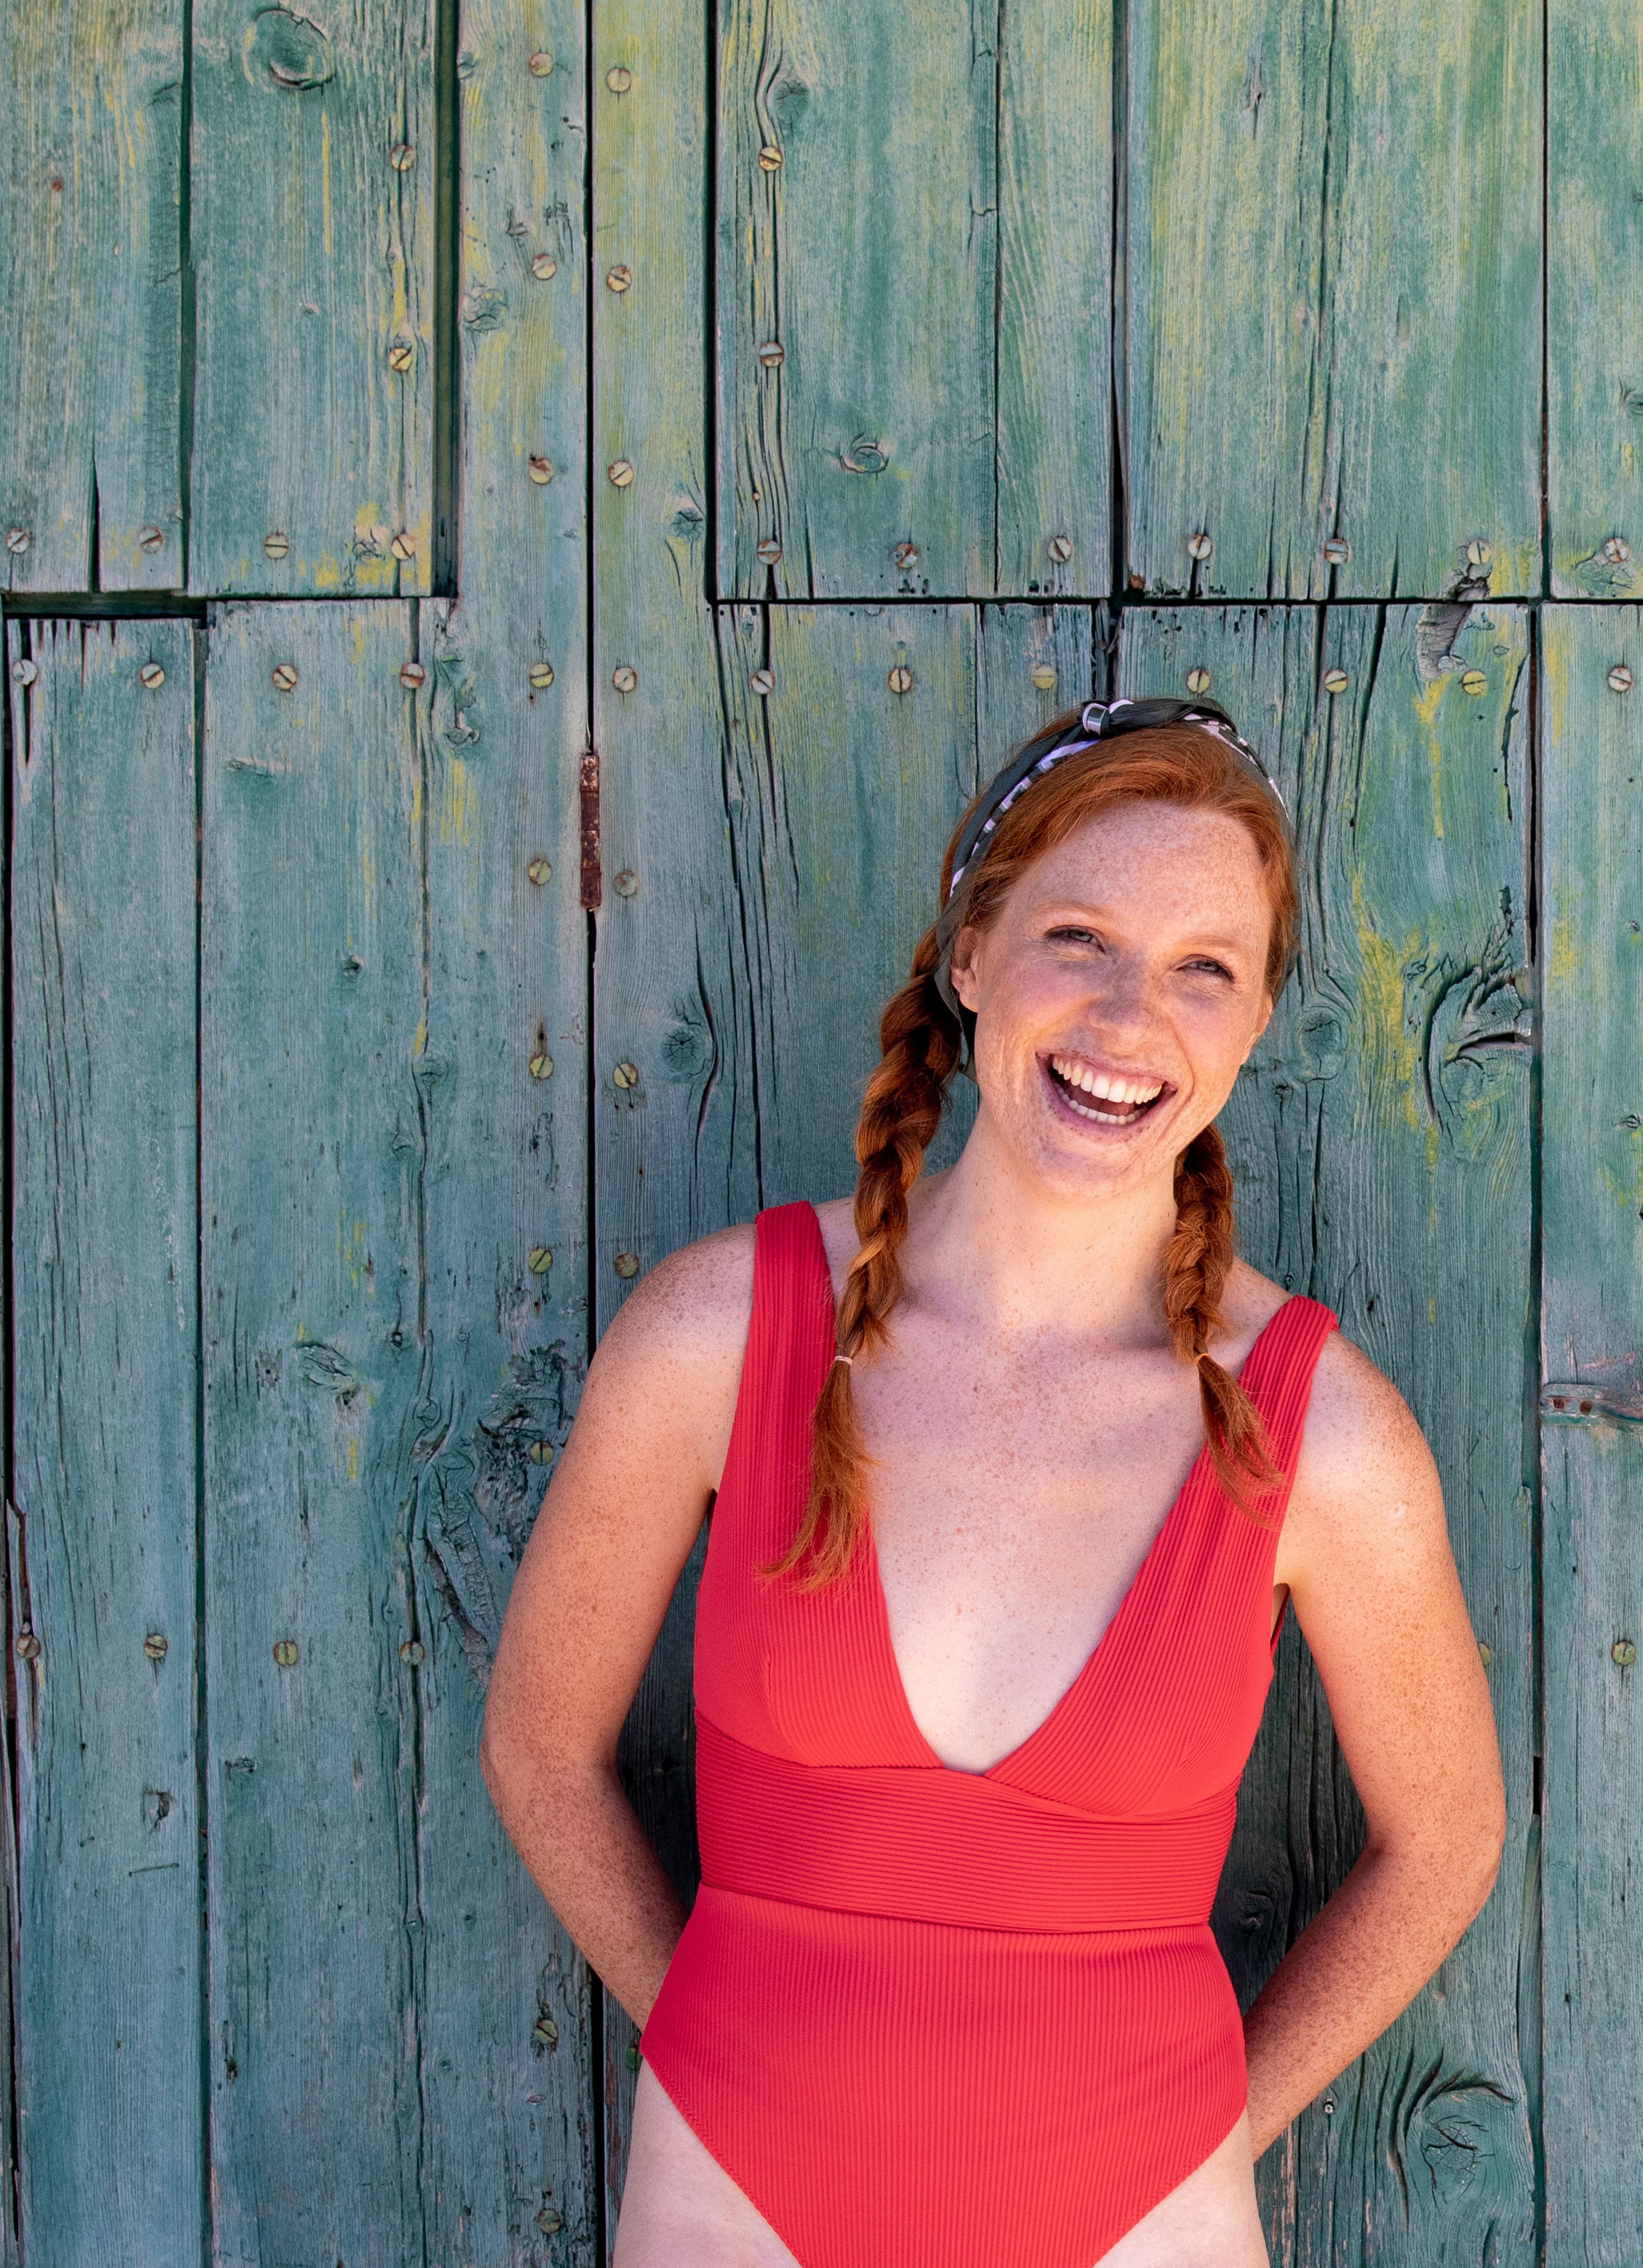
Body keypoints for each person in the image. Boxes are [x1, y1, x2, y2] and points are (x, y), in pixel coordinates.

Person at [485, 697, 1506, 2266]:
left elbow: (1443, 1838)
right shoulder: (718, 1334)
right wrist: (713, 2035)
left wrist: (1204, 2126)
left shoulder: (1323, 1435)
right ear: (971, 954)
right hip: (732, 2200)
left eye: (1202, 970)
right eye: (1078, 938)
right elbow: (541, 1746)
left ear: (1247, 1025)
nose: (1125, 1018)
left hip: (1136, 2221)